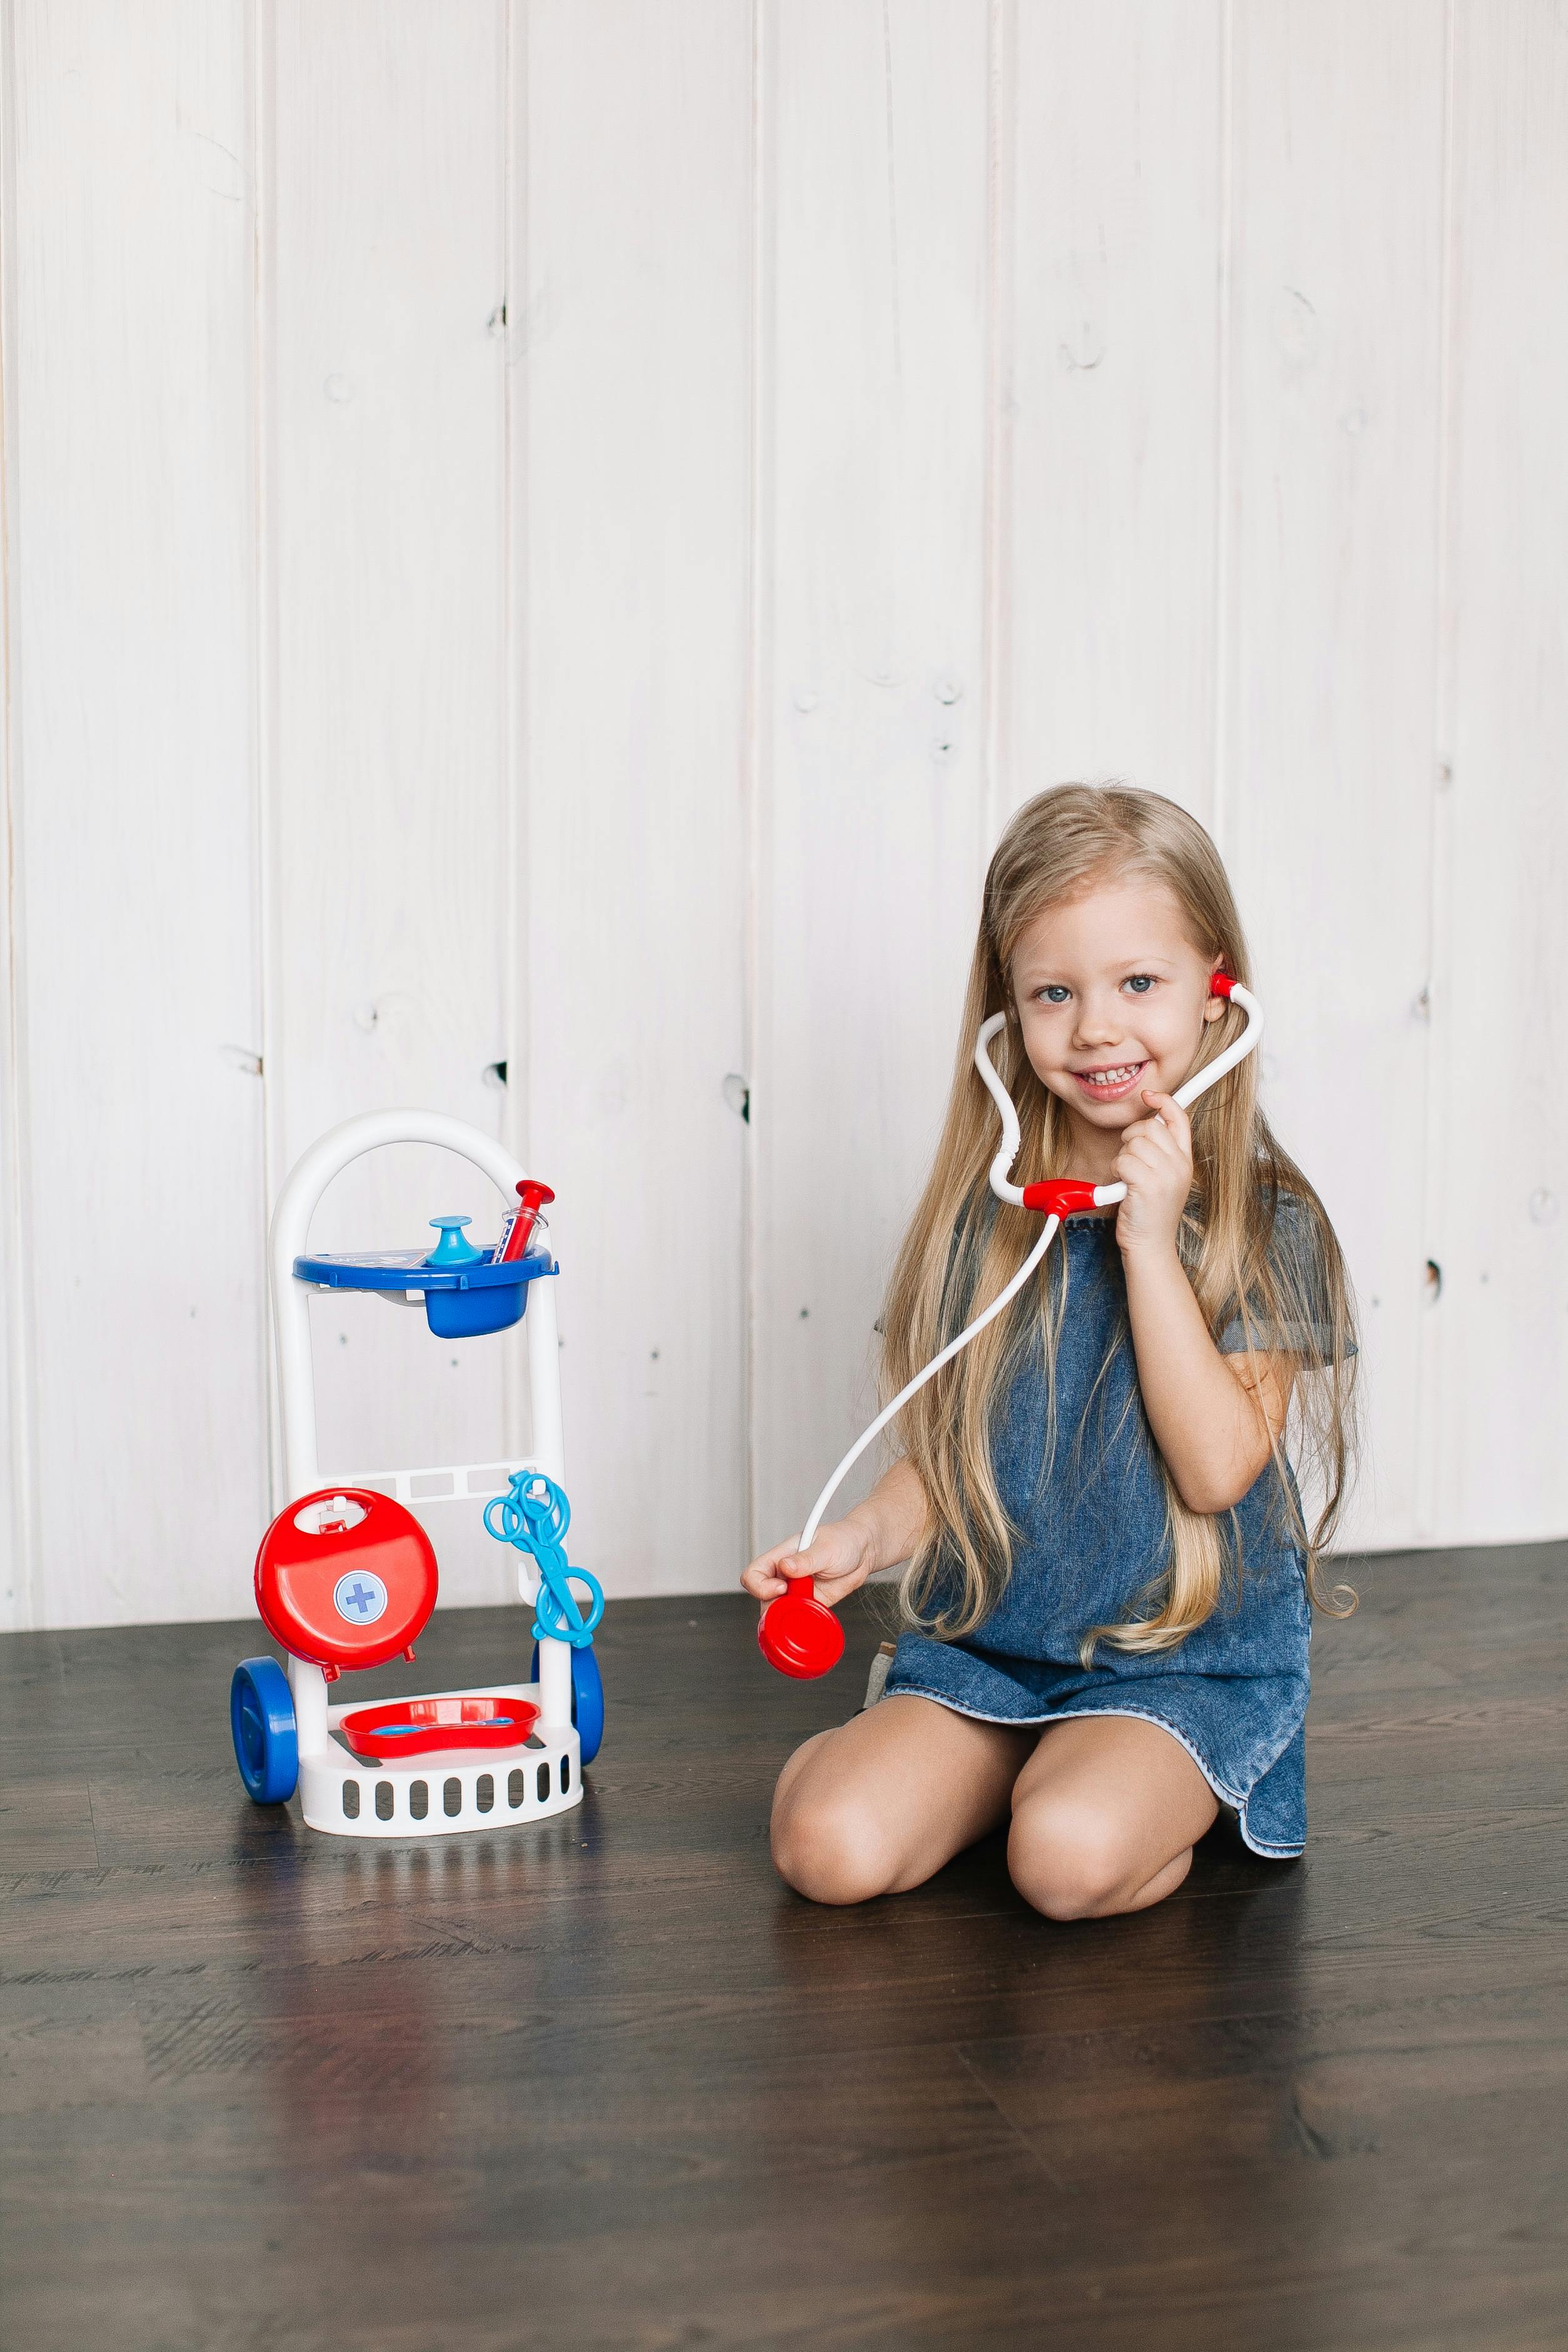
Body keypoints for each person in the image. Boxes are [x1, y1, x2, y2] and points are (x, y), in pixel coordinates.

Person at [743, 783, 1358, 1919]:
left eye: (1139, 983)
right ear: (1008, 1015)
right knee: (826, 1849)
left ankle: (1129, 1779)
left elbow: (1219, 1469)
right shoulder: (989, 1219)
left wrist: (1151, 1244)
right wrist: (863, 1536)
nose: (1096, 1028)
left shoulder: (1265, 1226)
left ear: (1219, 994)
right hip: (996, 1650)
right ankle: (988, 1759)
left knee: (1065, 1860)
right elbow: (954, 1451)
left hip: (1178, 1669)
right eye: (1053, 992)